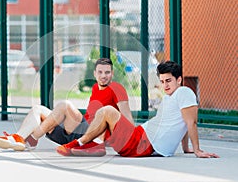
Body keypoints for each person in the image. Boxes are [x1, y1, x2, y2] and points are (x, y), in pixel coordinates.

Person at [57, 61, 220, 158]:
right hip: (139, 137)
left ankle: (78, 143)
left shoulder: (184, 92)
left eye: (169, 81)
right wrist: (185, 149)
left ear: (179, 80)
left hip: (143, 143)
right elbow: (182, 122)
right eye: (162, 82)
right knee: (103, 114)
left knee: (107, 110)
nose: (165, 85)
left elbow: (191, 122)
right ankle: (89, 145)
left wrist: (197, 150)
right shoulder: (168, 97)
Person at [0, 57, 134, 151]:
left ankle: (31, 139)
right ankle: (18, 137)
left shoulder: (117, 88)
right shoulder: (95, 88)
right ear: (95, 73)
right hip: (73, 133)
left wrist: (129, 141)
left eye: (107, 72)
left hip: (91, 135)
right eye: (100, 72)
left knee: (65, 105)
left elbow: (127, 118)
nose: (104, 76)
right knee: (38, 109)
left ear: (112, 74)